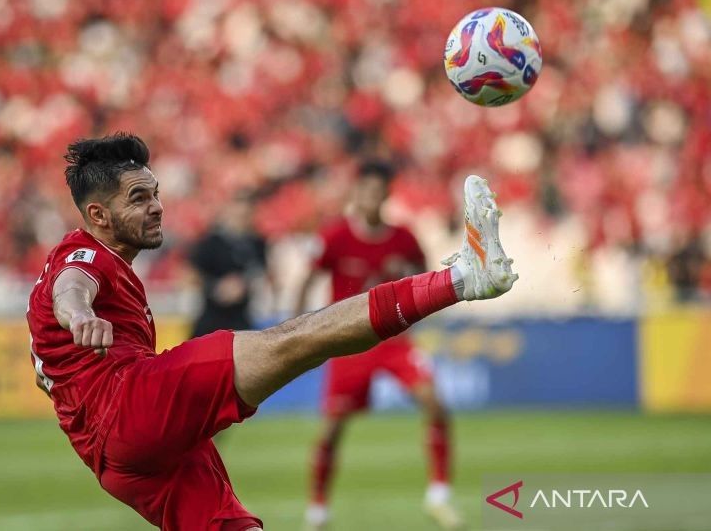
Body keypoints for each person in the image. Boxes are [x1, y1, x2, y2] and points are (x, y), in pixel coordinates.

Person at [26, 133, 517, 531]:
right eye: (138, 198)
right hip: (131, 407)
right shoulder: (82, 257)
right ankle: (464, 278)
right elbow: (72, 290)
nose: (156, 207)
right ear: (98, 216)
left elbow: (46, 361)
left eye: (155, 193)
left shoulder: (91, 266)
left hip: (121, 462)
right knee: (299, 338)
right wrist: (79, 315)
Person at [296, 161, 462, 529]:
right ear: (357, 194)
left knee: (434, 401)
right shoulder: (335, 236)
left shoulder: (403, 237)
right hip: (348, 340)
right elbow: (308, 280)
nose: (371, 199)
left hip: (394, 338)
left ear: (386, 195)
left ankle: (439, 496)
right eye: (365, 191)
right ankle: (318, 507)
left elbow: (423, 276)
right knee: (333, 427)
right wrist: (297, 328)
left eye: (378, 191)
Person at [188, 191, 269, 338]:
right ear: (229, 212)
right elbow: (190, 274)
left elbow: (263, 272)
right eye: (238, 214)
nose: (241, 220)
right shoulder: (212, 242)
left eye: (246, 215)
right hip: (211, 319)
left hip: (241, 320)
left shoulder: (258, 243)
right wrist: (215, 287)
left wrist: (245, 284)